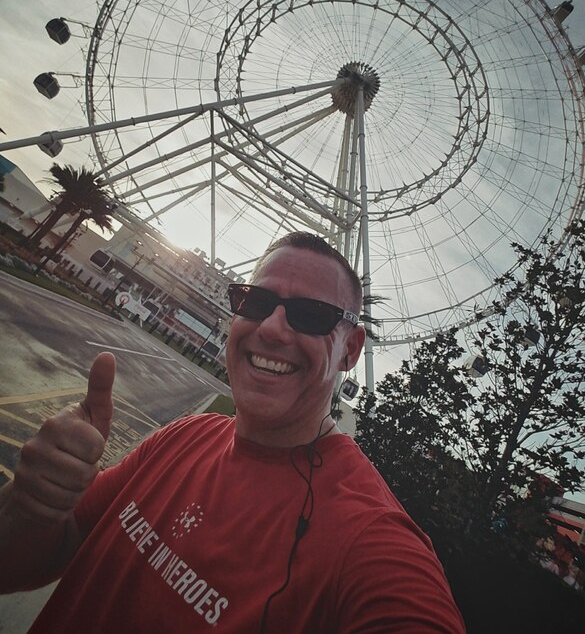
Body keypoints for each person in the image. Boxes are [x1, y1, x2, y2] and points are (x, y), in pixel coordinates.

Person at [0, 232, 465, 632]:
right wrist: (30, 506)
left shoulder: (369, 542)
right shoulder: (184, 437)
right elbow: (33, 559)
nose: (273, 328)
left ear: (350, 350)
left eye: (311, 315)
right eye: (256, 302)